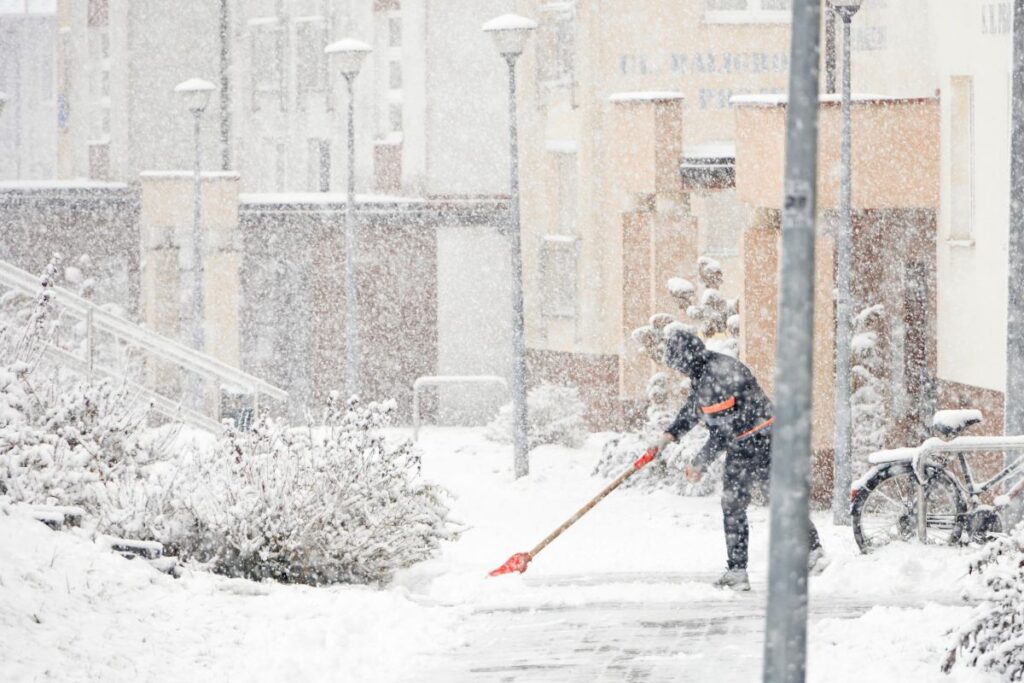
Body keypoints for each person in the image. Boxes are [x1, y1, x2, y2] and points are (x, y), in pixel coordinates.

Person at [656, 328, 825, 591]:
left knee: (736, 505)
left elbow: (723, 431)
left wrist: (700, 463)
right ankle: (811, 552)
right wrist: (671, 433)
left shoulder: (714, 377)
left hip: (756, 441)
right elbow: (694, 407)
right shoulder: (709, 367)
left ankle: (741, 571)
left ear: (685, 359)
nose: (678, 371)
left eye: (678, 365)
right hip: (762, 437)